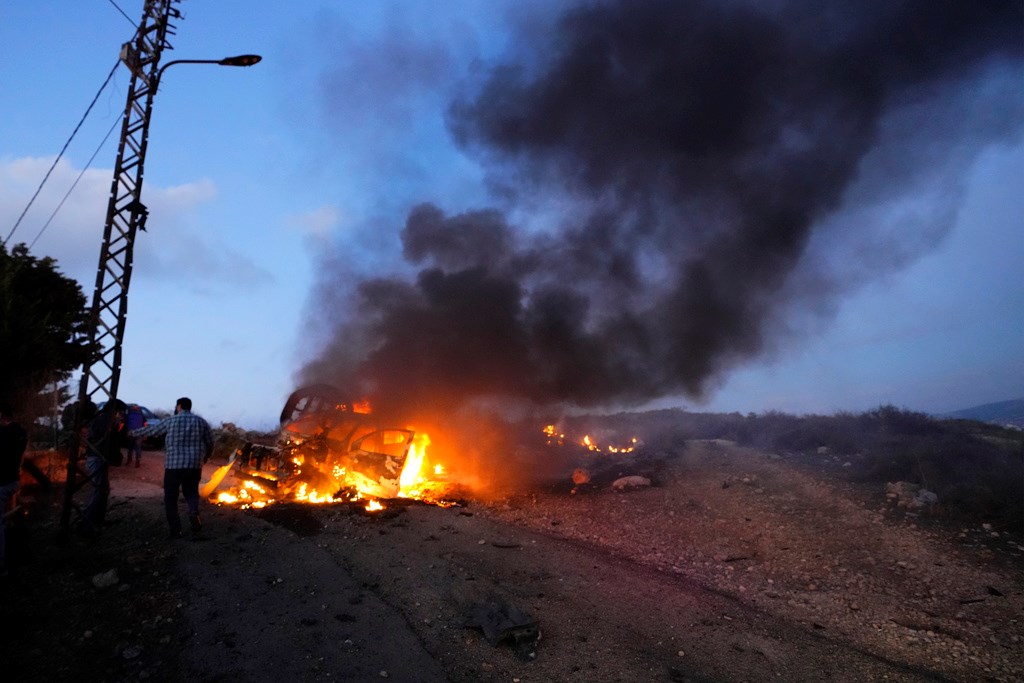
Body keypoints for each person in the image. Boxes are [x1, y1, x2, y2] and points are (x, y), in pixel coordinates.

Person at [130, 397, 213, 539]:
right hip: (193, 465)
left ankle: (176, 531)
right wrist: (206, 457)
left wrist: (133, 433)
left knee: (170, 498)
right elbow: (210, 442)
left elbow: (153, 431)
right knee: (192, 492)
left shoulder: (171, 421)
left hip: (173, 466)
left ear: (179, 406)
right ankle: (193, 511)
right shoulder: (201, 422)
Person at [81, 399, 126, 537]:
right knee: (99, 490)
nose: (121, 415)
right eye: (120, 412)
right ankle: (88, 524)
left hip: (97, 457)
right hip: (96, 458)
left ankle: (96, 521)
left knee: (103, 490)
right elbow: (109, 440)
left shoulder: (104, 419)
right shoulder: (105, 420)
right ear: (115, 410)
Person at [1, 402, 29, 575]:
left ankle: (2, 566)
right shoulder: (21, 432)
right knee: (8, 518)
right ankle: (16, 551)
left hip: (2, 482)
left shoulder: (3, 433)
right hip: (13, 480)